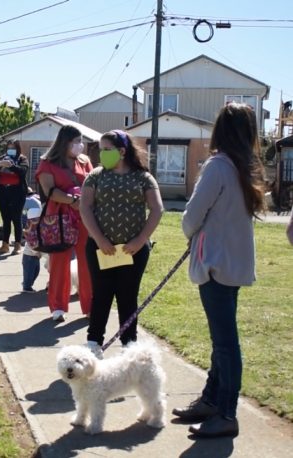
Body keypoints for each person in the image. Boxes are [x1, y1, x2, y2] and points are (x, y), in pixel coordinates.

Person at [173, 103, 266, 439]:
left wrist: (191, 231)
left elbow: (191, 217)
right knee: (222, 340)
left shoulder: (217, 166)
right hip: (233, 266)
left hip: (215, 265)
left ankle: (226, 412)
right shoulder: (245, 167)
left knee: (225, 343)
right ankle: (213, 401)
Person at [79, 130, 163, 357]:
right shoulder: (95, 176)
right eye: (100, 149)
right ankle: (94, 344)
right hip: (100, 249)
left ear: (122, 151)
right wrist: (100, 239)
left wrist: (140, 240)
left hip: (133, 251)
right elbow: (85, 207)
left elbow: (157, 209)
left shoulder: (143, 178)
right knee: (101, 295)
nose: (101, 154)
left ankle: (129, 348)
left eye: (107, 150)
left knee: (128, 297)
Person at [36, 125, 93, 322]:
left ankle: (90, 306)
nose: (80, 145)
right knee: (59, 262)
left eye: (80, 141)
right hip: (59, 218)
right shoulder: (47, 163)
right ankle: (58, 307)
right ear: (65, 142)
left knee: (88, 262)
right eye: (76, 141)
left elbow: (92, 184)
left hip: (85, 217)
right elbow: (49, 190)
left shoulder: (84, 161)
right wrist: (73, 201)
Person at [0, 140, 28, 255]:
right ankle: (5, 245)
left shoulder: (22, 159)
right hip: (3, 192)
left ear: (17, 148)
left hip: (17, 193)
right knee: (5, 219)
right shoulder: (2, 158)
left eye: (13, 147)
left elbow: (23, 171)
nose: (10, 149)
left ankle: (17, 245)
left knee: (16, 219)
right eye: (9, 147)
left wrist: (11, 166)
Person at [22, 207, 43, 293]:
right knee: (29, 272)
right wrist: (37, 252)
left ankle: (27, 283)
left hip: (35, 256)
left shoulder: (38, 229)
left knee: (36, 272)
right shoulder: (30, 231)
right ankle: (26, 286)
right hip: (29, 256)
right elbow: (31, 244)